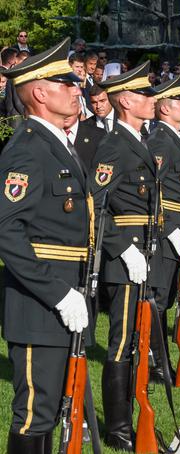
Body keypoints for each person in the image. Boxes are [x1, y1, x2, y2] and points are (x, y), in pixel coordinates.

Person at [0, 38, 88, 454]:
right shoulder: (29, 149)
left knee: (52, 410)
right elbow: (6, 231)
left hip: (64, 297)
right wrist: (59, 293)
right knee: (35, 413)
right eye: (66, 81)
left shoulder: (58, 145)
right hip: (40, 303)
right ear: (39, 91)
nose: (77, 88)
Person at [90, 61, 161, 450]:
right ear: (126, 101)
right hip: (125, 259)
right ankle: (118, 430)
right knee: (120, 342)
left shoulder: (136, 139)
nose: (153, 100)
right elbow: (95, 204)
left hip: (141, 253)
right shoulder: (115, 145)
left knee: (134, 337)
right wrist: (122, 248)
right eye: (145, 94)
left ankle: (127, 418)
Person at [147, 76, 180, 381]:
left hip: (177, 226)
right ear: (166, 108)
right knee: (158, 299)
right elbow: (154, 192)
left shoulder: (173, 136)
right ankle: (156, 364)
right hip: (166, 233)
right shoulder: (161, 141)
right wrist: (170, 229)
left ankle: (160, 361)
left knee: (166, 298)